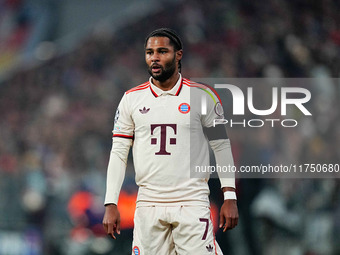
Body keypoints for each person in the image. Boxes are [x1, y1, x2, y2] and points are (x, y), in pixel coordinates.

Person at [102, 28, 238, 255]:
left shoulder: (203, 96)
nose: (154, 57)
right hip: (148, 204)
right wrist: (110, 203)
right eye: (149, 52)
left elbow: (221, 147)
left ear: (178, 55)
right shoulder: (131, 99)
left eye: (162, 51)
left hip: (191, 201)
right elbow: (118, 152)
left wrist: (229, 196)